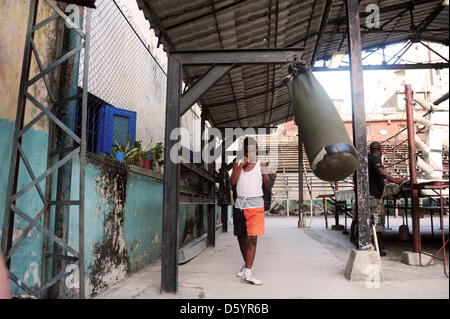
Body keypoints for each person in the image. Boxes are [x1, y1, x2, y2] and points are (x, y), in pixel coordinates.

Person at [230, 137, 276, 285]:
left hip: (255, 205)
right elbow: (233, 182)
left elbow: (268, 186)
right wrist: (240, 165)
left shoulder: (261, 164)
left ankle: (248, 273)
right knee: (241, 236)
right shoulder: (238, 162)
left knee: (253, 238)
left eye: (253, 149)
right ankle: (246, 265)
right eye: (247, 149)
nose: (250, 151)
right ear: (244, 150)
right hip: (240, 205)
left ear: (256, 149)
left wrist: (273, 178)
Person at [368, 141, 406, 256]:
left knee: (371, 222)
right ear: (379, 150)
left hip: (369, 195)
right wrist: (396, 180)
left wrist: (387, 179)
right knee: (377, 223)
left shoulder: (367, 159)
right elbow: (381, 171)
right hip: (374, 197)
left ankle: (374, 245)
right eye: (381, 150)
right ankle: (377, 249)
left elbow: (377, 175)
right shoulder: (375, 159)